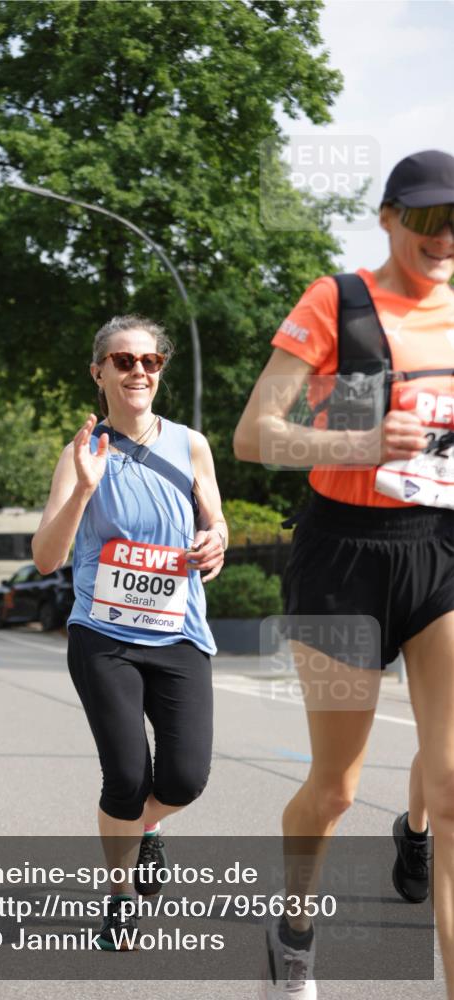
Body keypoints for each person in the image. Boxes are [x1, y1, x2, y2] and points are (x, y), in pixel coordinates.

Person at [233, 150, 454, 999]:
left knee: (449, 786)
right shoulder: (337, 301)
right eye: (427, 219)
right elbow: (255, 434)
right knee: (333, 790)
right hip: (342, 558)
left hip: (439, 549)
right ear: (388, 217)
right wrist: (359, 443)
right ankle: (292, 931)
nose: (443, 237)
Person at [32, 314, 227, 949]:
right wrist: (83, 491)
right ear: (98, 373)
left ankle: (146, 827)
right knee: (125, 776)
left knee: (185, 779)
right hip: (103, 636)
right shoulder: (81, 453)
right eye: (123, 360)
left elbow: (215, 522)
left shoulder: (191, 444)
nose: (138, 370)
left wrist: (216, 542)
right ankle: (118, 896)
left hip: (178, 632)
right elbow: (46, 558)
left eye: (150, 360)